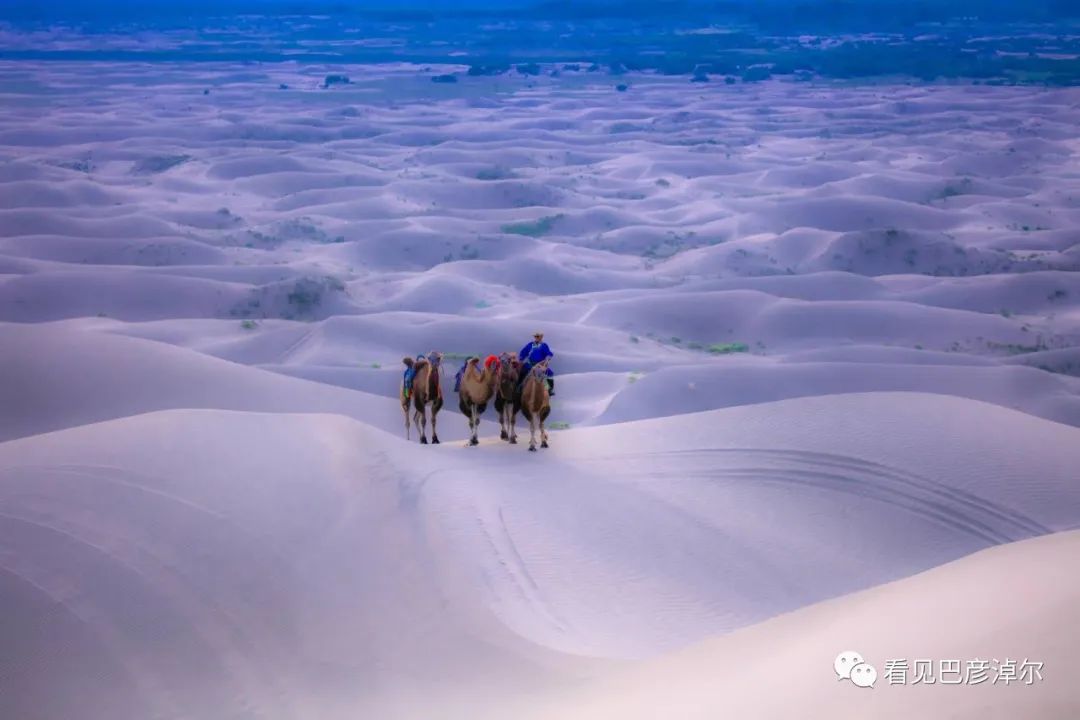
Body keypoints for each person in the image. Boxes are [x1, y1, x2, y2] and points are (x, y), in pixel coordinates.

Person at [518, 331, 554, 396]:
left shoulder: (544, 345)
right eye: (535, 336)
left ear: (541, 337)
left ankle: (549, 389)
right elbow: (524, 352)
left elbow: (548, 353)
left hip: (540, 365)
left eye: (538, 336)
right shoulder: (530, 344)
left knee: (549, 374)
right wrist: (521, 359)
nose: (536, 338)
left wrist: (548, 358)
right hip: (530, 364)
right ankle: (519, 387)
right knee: (523, 372)